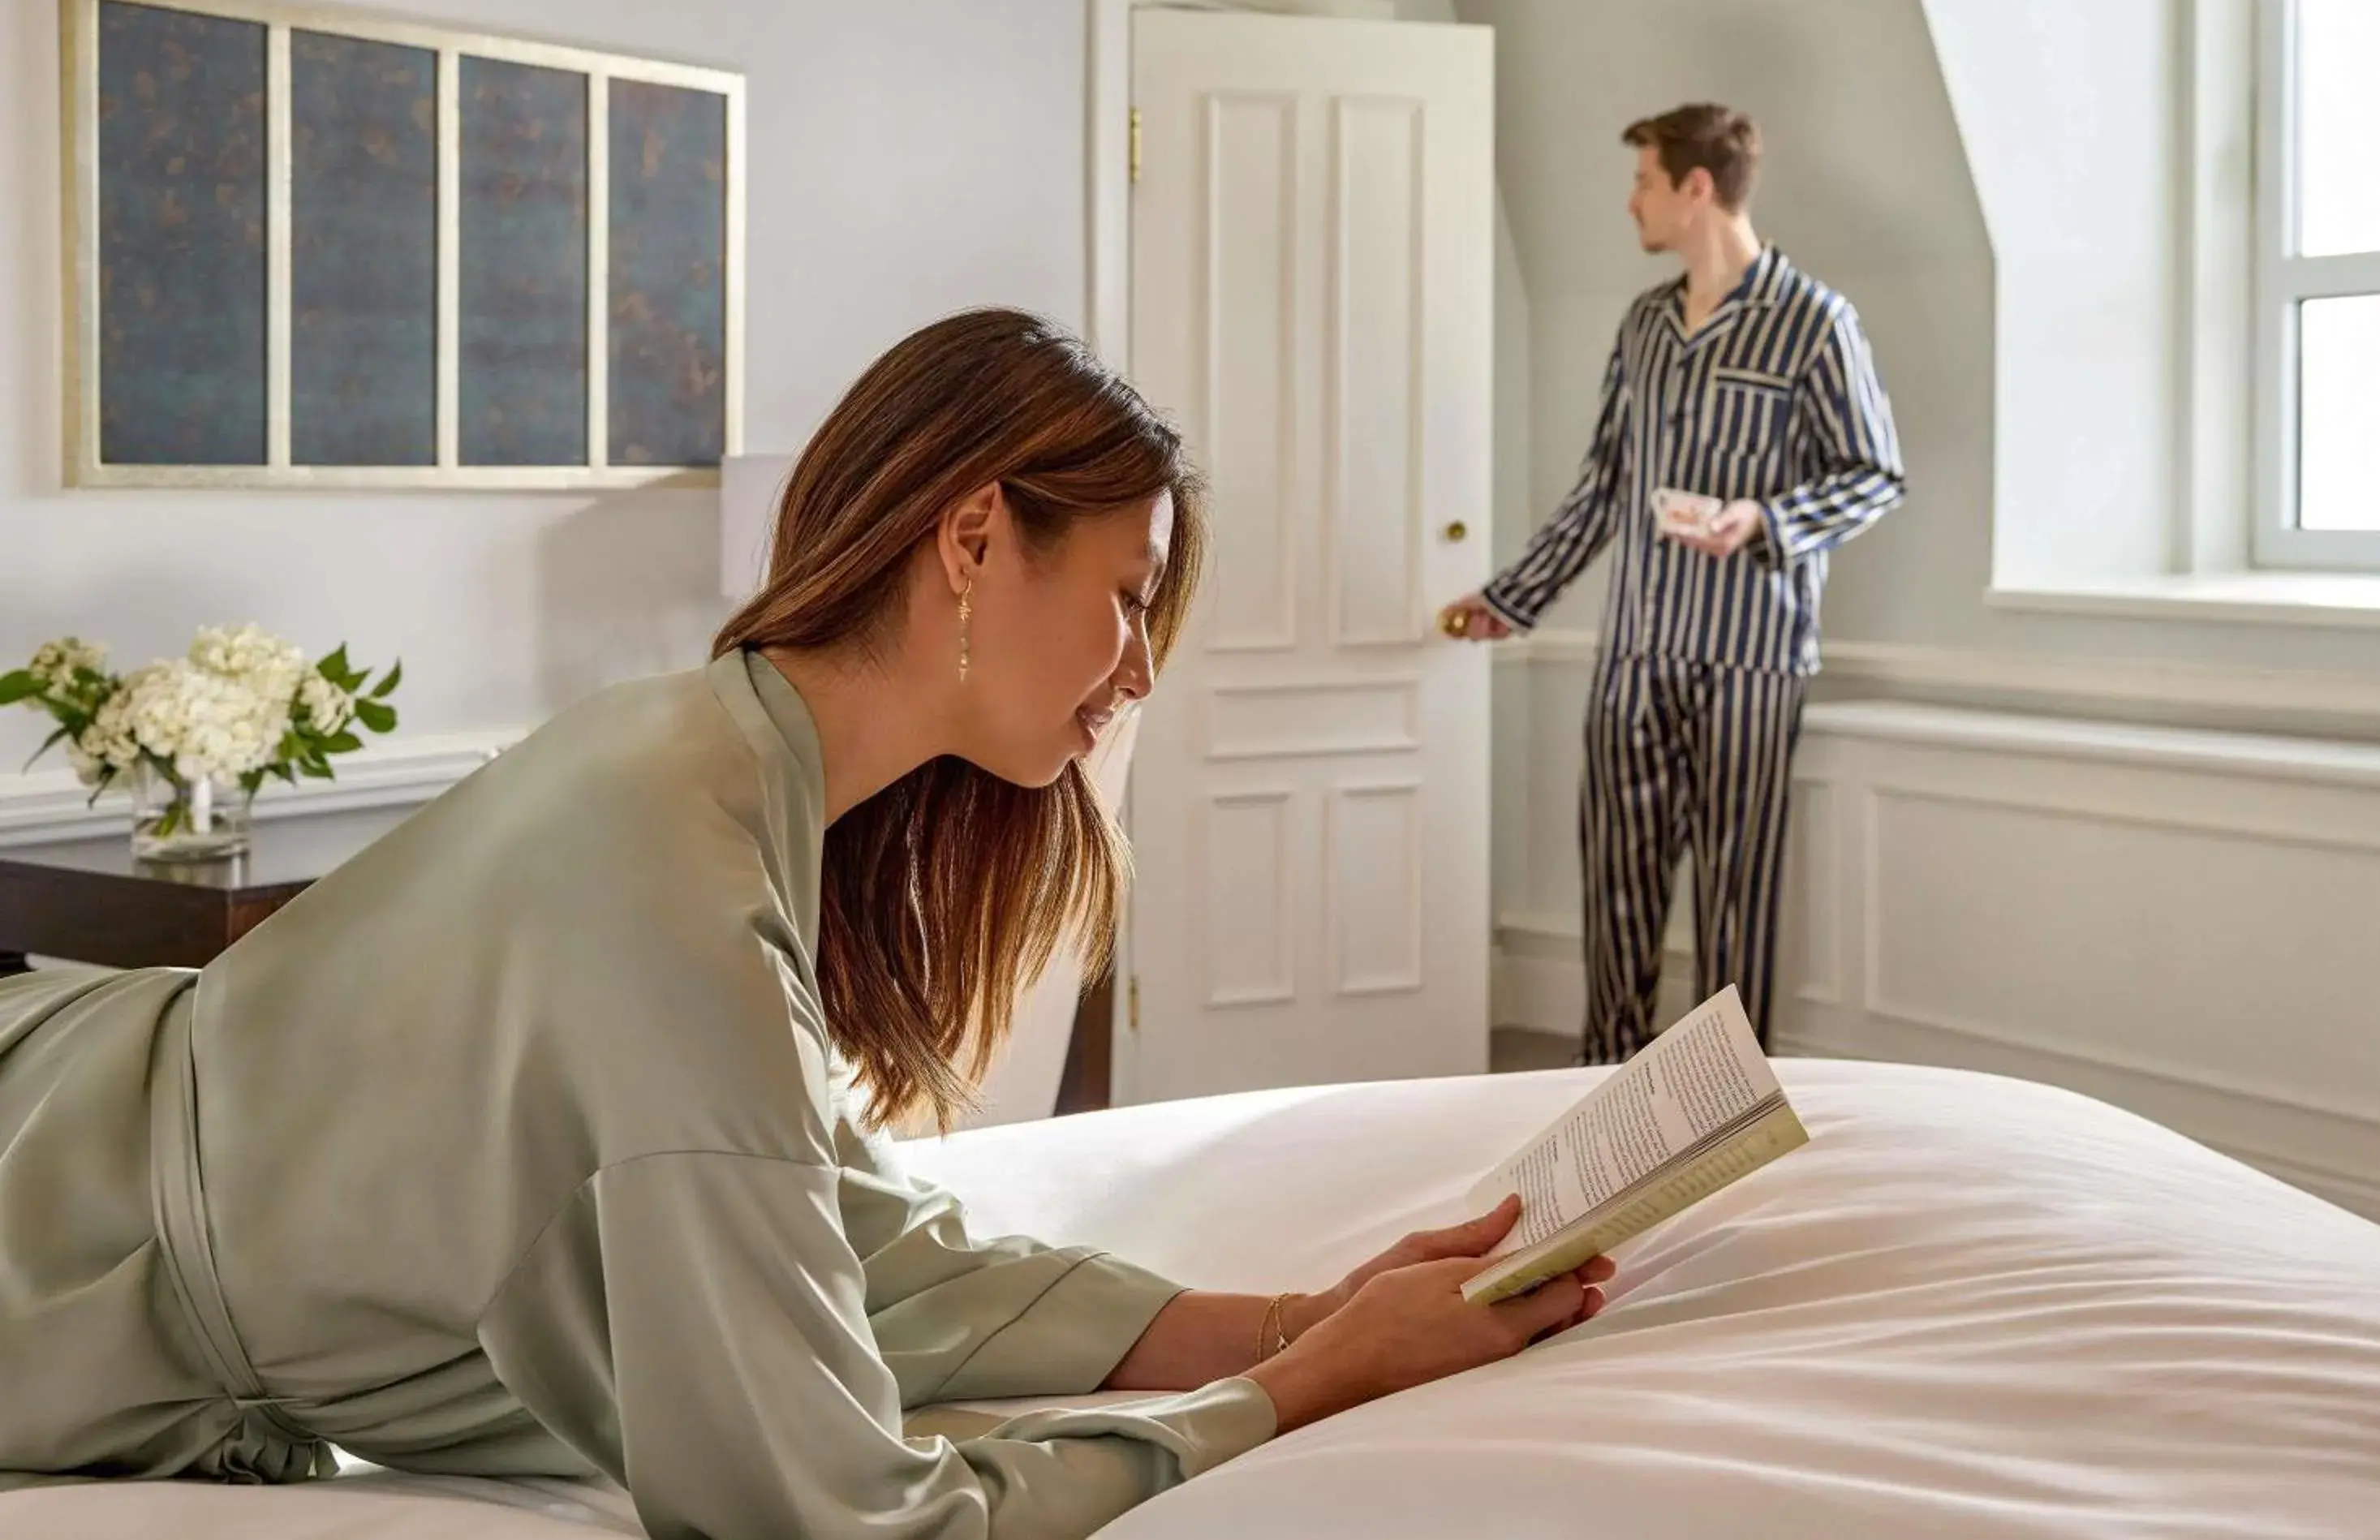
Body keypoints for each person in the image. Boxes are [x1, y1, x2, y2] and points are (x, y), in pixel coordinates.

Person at [0, 311, 1612, 1537]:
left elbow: (832, 1234)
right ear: (974, 539)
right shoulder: (677, 871)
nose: (1138, 668)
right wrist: (1307, 1388)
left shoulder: (708, 762)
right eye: (1128, 596)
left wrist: (1287, 1315)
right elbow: (835, 1510)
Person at [1444, 105, 1904, 1066]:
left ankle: (1724, 1119)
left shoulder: (1816, 323)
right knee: (1618, 894)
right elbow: (1605, 486)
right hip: (1636, 652)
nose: (1632, 201)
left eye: (1644, 181)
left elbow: (1873, 474)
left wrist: (1764, 522)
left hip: (1754, 660)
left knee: (1738, 909)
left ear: (1697, 188)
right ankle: (1602, 1108)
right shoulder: (1646, 325)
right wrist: (1511, 597)